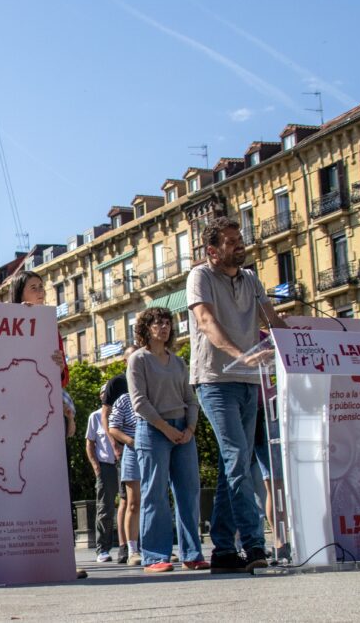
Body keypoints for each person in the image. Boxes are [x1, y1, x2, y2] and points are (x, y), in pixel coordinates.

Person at [186, 216, 287, 574]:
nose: (240, 245)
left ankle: (224, 550)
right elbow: (206, 322)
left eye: (240, 239)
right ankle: (254, 544)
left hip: (250, 381)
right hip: (215, 380)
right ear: (212, 251)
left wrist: (302, 344)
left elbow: (271, 320)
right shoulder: (200, 277)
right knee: (238, 459)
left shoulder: (251, 280)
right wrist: (240, 354)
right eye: (231, 242)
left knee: (234, 466)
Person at [8, 270, 87, 579]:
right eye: (33, 287)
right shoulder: (5, 323)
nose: (41, 292)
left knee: (55, 485)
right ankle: (21, 558)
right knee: (23, 484)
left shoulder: (49, 327)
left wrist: (59, 365)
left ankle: (62, 558)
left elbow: (62, 377)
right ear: (19, 293)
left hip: (47, 411)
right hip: (17, 415)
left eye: (42, 287)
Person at [127, 307, 207, 573]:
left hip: (183, 431)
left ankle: (192, 554)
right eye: (157, 324)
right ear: (146, 328)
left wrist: (190, 428)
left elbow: (190, 399)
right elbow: (139, 402)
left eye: (167, 323)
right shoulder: (138, 360)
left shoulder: (179, 362)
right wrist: (164, 428)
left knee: (188, 492)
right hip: (152, 430)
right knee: (155, 493)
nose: (164, 328)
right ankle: (154, 556)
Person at [99, 345, 135, 564]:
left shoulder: (146, 378)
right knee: (125, 498)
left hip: (148, 446)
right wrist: (114, 444)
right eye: (132, 357)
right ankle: (123, 546)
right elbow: (106, 415)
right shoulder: (117, 383)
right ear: (125, 362)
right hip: (125, 446)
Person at [107, 383, 142, 566]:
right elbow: (113, 427)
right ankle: (132, 550)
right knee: (132, 502)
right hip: (133, 452)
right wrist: (132, 442)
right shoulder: (124, 399)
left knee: (157, 500)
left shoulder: (156, 395)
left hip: (156, 451)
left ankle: (158, 547)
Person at [84, 407, 117, 563]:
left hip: (125, 463)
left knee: (132, 505)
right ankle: (103, 548)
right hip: (105, 466)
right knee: (105, 508)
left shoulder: (123, 411)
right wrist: (96, 468)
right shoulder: (95, 416)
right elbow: (89, 444)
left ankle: (130, 547)